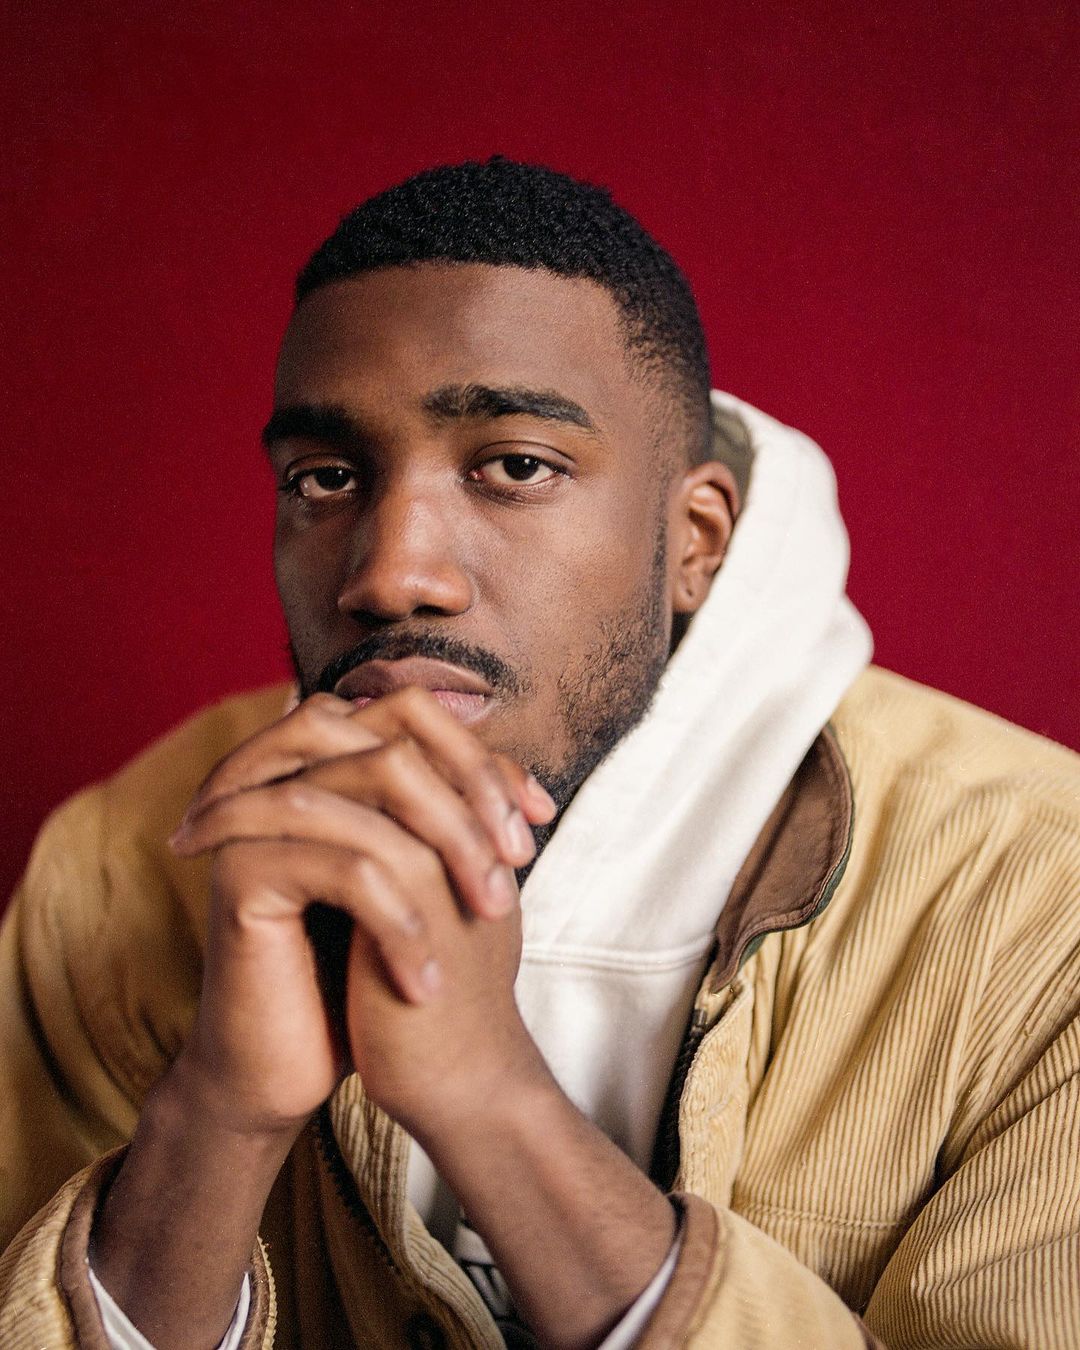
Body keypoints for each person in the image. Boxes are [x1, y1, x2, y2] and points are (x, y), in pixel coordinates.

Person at [1, 158, 1077, 1350]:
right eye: (326, 479)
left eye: (516, 466)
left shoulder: (1043, 909)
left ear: (696, 542)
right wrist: (215, 1117)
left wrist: (493, 1102)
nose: (391, 574)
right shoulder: (124, 864)